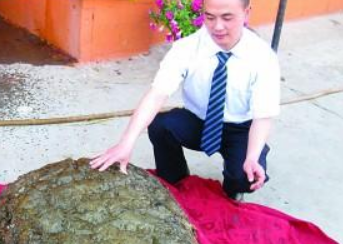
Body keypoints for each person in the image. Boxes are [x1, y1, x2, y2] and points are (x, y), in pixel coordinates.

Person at [90, 0, 280, 200]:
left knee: (245, 177)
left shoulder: (262, 57)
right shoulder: (187, 48)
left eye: (227, 17)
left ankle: (235, 184)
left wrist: (251, 157)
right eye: (209, 17)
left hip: (241, 127)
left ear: (246, 12)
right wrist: (125, 144)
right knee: (160, 125)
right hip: (199, 121)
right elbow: (156, 95)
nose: (217, 26)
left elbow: (263, 116)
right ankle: (176, 180)